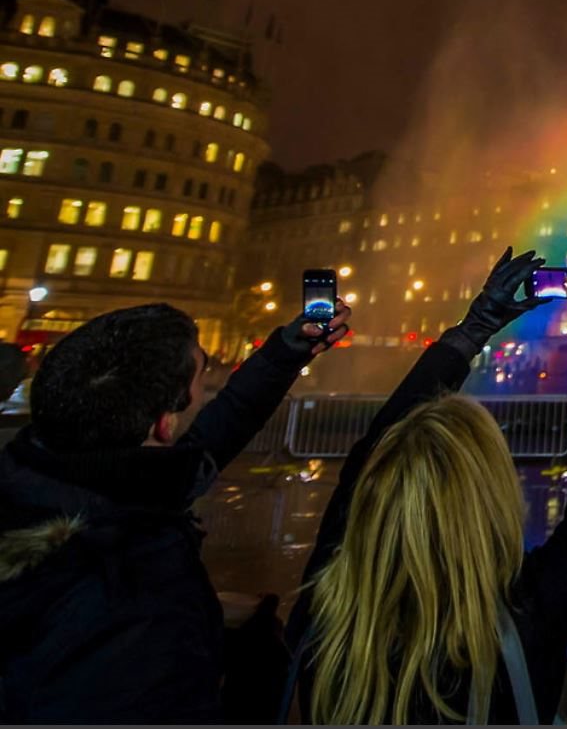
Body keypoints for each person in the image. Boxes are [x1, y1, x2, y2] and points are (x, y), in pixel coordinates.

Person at [286, 249, 567, 724]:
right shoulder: (525, 615)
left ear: (374, 493)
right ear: (490, 496)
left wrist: (473, 329)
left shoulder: (323, 614)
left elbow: (371, 452)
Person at [0, 300, 349, 721]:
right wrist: (253, 668)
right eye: (203, 378)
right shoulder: (137, 595)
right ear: (164, 425)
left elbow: (215, 433)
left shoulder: (48, 480)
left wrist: (284, 353)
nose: (207, 392)